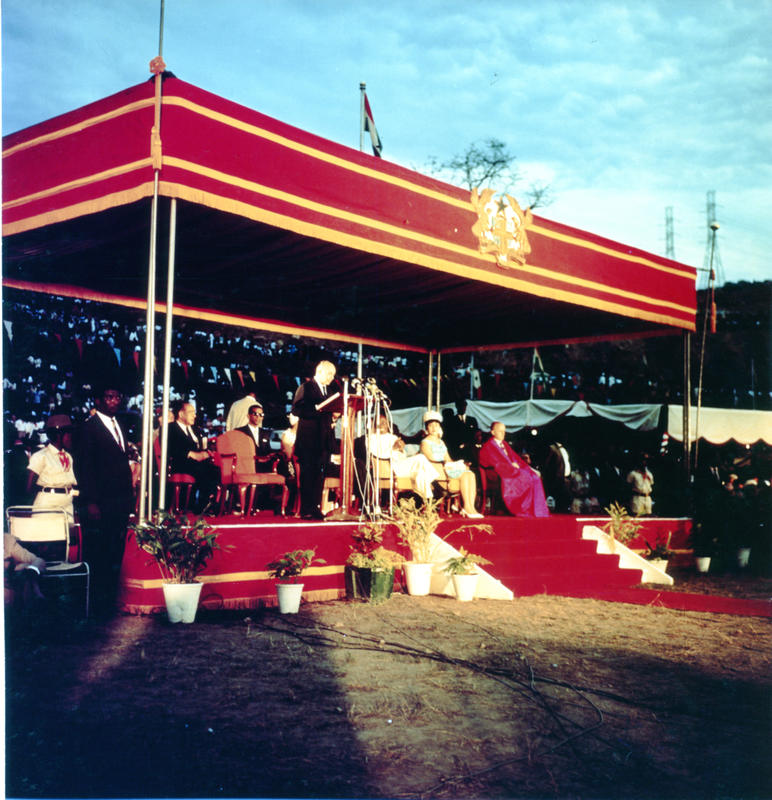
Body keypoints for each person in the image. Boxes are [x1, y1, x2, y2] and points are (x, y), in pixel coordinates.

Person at [73, 384, 135, 617]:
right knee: (99, 553)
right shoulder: (88, 428)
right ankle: (95, 606)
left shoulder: (120, 424)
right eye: (109, 397)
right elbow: (84, 467)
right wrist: (91, 501)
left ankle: (110, 602)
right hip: (99, 502)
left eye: (117, 396)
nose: (114, 401)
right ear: (97, 401)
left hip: (120, 501)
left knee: (115, 553)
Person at [291, 360, 338, 519]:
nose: (332, 377)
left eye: (333, 375)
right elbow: (297, 410)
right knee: (308, 474)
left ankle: (316, 507)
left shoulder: (329, 390)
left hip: (324, 440)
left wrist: (335, 415)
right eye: (330, 374)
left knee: (320, 476)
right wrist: (318, 409)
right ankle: (306, 509)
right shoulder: (306, 387)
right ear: (320, 371)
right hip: (309, 440)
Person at [420, 411, 482, 518]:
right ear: (427, 428)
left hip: (445, 467)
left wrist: (457, 464)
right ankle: (466, 507)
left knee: (470, 474)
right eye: (431, 426)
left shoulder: (441, 442)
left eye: (436, 425)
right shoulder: (425, 442)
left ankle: (471, 507)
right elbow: (430, 458)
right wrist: (446, 463)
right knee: (464, 475)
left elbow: (448, 458)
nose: (434, 428)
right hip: (436, 470)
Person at [479, 422, 549, 517]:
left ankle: (535, 509)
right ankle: (522, 508)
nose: (503, 434)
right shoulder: (488, 446)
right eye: (500, 431)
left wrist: (517, 464)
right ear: (493, 432)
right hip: (500, 472)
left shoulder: (504, 444)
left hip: (510, 469)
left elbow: (513, 457)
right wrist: (509, 465)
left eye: (504, 431)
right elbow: (491, 461)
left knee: (534, 477)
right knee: (525, 477)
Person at [368, 414, 437, 502]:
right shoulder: (372, 438)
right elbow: (377, 455)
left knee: (421, 473)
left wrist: (401, 449)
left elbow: (403, 456)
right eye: (380, 422)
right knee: (421, 457)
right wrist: (393, 448)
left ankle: (426, 503)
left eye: (385, 423)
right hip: (389, 468)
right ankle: (436, 484)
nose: (382, 425)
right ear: (374, 424)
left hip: (401, 465)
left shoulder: (393, 437)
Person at [167, 400, 219, 513]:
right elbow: (171, 448)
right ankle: (203, 505)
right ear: (181, 414)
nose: (194, 416)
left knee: (216, 469)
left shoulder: (195, 429)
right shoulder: (170, 428)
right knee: (205, 470)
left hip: (199, 463)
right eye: (191, 412)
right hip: (180, 463)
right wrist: (191, 454)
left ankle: (209, 503)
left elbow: (201, 446)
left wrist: (206, 452)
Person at [26, 414, 78, 521]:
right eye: (68, 434)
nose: (71, 437)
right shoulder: (41, 456)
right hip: (48, 504)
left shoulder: (68, 456)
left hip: (67, 503)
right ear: (58, 436)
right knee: (47, 531)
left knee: (67, 531)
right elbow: (29, 486)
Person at [4, 532, 46, 609]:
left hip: (11, 590)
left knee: (25, 567)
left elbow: (36, 560)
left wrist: (32, 570)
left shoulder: (6, 540)